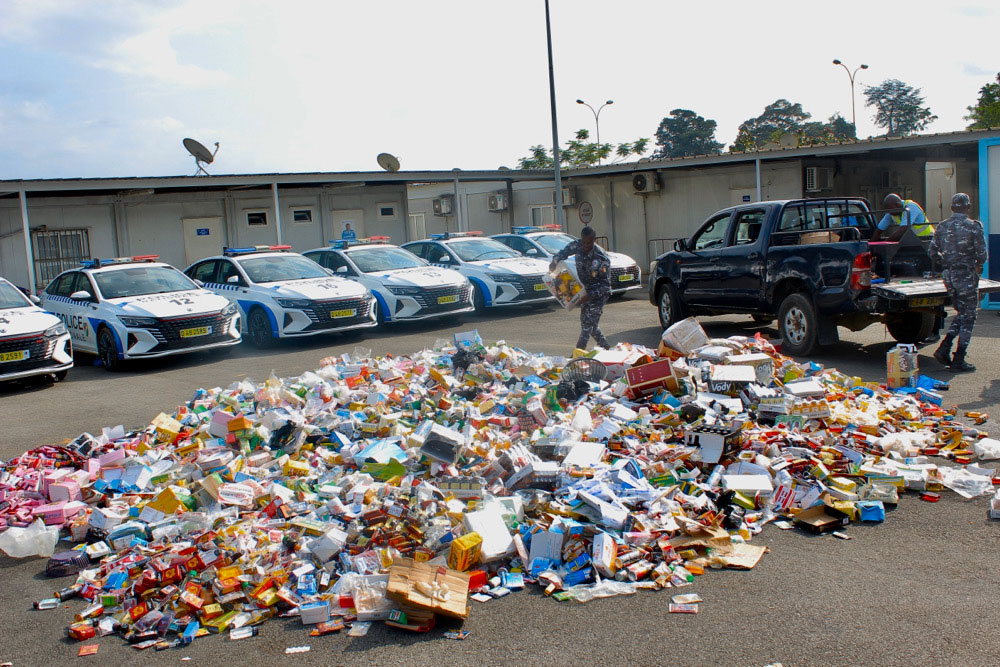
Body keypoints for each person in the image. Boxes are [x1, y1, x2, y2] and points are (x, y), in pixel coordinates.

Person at [930, 193, 987, 372]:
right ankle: (959, 359)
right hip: (966, 275)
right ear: (968, 207)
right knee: (969, 316)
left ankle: (945, 347)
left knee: (962, 312)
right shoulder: (973, 226)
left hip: (949, 275)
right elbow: (982, 255)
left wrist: (946, 263)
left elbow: (932, 252)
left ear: (952, 207)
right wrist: (976, 266)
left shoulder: (942, 226)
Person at [550, 226, 612, 351]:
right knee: (590, 325)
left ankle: (577, 355)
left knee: (587, 326)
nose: (585, 245)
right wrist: (555, 261)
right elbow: (563, 252)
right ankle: (606, 348)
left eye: (589, 243)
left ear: (594, 240)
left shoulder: (601, 258)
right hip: (585, 290)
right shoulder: (577, 245)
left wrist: (588, 296)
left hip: (599, 294)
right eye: (583, 242)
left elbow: (606, 286)